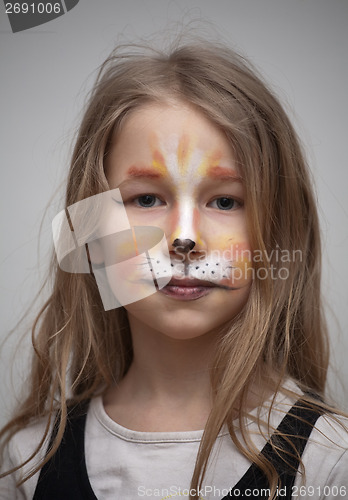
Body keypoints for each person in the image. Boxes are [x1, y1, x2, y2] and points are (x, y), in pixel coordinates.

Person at [1, 40, 347, 500]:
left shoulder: (330, 462)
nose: (185, 239)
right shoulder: (27, 461)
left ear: (280, 234)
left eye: (225, 201)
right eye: (146, 199)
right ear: (89, 231)